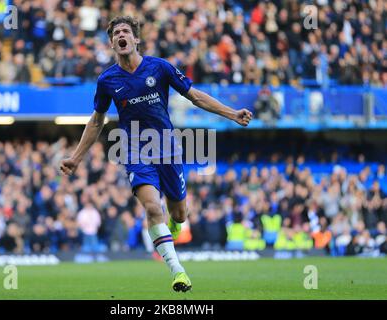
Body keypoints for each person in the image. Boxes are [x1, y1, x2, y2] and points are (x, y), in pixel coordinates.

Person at [60, 16, 252, 293]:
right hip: (135, 148)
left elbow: (194, 96)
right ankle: (178, 272)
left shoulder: (159, 68)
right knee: (152, 207)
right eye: (116, 33)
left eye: (126, 31)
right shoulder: (107, 80)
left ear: (136, 39)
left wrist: (232, 113)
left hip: (168, 147)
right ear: (112, 42)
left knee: (180, 214)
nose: (121, 35)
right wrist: (76, 158)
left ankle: (172, 226)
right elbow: (97, 120)